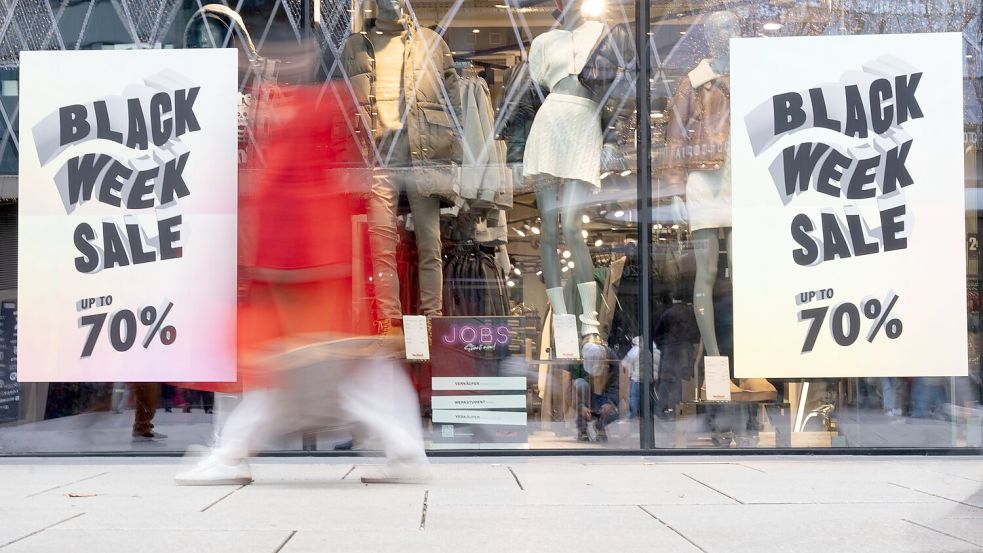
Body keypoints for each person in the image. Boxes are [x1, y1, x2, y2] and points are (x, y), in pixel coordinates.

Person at [174, 81, 429, 486]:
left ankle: (230, 453)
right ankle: (404, 449)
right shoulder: (318, 117)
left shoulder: (300, 119)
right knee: (328, 372)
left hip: (301, 267)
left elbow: (284, 198)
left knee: (292, 371)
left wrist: (271, 271)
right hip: (312, 264)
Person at [573, 357, 620, 441]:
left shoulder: (610, 369)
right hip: (587, 393)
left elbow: (616, 387)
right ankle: (584, 429)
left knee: (616, 410)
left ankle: (600, 426)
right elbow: (569, 388)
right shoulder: (584, 383)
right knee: (581, 386)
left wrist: (610, 403)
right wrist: (581, 407)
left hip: (603, 396)